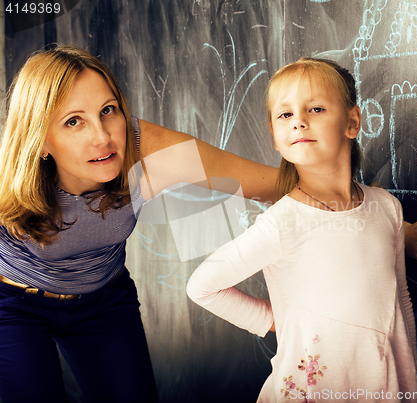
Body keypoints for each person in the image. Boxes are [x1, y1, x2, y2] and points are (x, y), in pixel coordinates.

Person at [0, 45, 278, 403]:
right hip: (14, 304)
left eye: (108, 111)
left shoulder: (144, 148)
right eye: (74, 121)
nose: (102, 136)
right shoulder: (8, 178)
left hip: (102, 299)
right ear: (40, 141)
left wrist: (356, 200)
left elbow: (269, 184)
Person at [187, 58, 417, 402]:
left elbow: (399, 297)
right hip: (313, 388)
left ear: (352, 122)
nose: (298, 121)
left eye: (315, 108)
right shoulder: (282, 223)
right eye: (285, 115)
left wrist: (409, 373)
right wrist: (275, 319)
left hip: (383, 385)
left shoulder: (386, 208)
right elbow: (202, 286)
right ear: (276, 139)